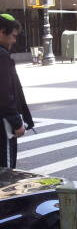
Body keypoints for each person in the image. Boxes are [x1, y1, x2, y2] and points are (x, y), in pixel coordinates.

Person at [0, 14, 34, 168]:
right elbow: (5, 94)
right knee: (6, 171)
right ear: (2, 32)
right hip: (3, 125)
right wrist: (17, 122)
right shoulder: (2, 56)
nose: (14, 41)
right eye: (13, 36)